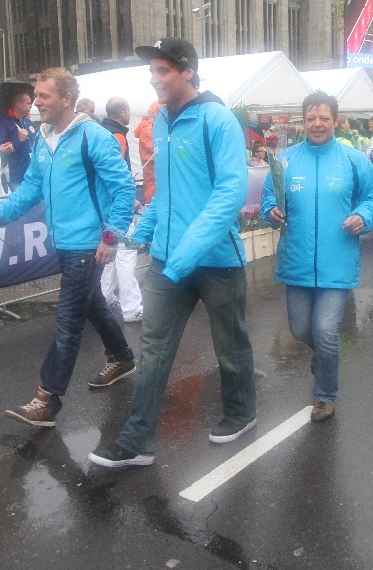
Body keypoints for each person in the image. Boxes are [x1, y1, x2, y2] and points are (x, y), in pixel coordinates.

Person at [89, 38, 254, 468]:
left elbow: (230, 193)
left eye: (162, 70)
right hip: (168, 260)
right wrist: (141, 233)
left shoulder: (217, 119)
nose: (154, 79)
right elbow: (164, 192)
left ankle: (241, 412)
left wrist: (185, 253)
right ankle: (137, 439)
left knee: (230, 344)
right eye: (152, 71)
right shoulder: (160, 121)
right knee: (154, 348)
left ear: (187, 72)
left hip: (217, 261)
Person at [0, 68, 138, 427]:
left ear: (66, 99)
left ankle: (47, 399)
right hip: (63, 242)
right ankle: (122, 357)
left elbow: (125, 189)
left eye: (43, 96)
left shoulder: (93, 137)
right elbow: (30, 188)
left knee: (68, 321)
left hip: (88, 244)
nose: (36, 102)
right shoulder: (43, 138)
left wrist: (110, 237)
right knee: (92, 304)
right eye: (36, 96)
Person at [261, 91, 373, 423]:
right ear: (303, 121)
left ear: (335, 121)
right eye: (311, 118)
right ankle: (323, 355)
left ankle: (325, 395)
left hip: (337, 262)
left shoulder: (353, 160)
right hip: (296, 261)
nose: (317, 124)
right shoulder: (285, 160)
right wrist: (270, 211)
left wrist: (364, 216)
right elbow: (269, 198)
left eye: (324, 118)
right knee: (301, 330)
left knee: (326, 330)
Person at [99, 96, 144, 324]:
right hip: (118, 209)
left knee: (112, 254)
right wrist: (129, 199)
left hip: (108, 209)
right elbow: (117, 175)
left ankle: (105, 297)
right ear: (123, 113)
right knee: (125, 255)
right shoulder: (117, 136)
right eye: (128, 111)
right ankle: (131, 307)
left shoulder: (102, 133)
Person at [0, 87, 34, 190]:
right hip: (16, 177)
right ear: (19, 105)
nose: (31, 106)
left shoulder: (27, 121)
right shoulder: (4, 123)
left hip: (32, 175)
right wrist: (19, 140)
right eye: (28, 103)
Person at [135, 100, 161, 206]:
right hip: (153, 177)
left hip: (153, 176)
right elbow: (156, 152)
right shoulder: (149, 129)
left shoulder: (149, 128)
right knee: (153, 203)